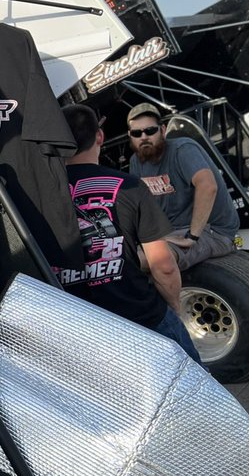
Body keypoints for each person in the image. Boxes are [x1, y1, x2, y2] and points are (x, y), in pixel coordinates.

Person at [59, 105, 201, 362]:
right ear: (100, 136)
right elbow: (163, 265)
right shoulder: (130, 186)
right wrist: (174, 308)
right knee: (194, 380)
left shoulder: (37, 196)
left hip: (77, 326)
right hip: (139, 314)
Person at [126, 102, 239, 271]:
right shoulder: (136, 162)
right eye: (137, 133)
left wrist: (192, 237)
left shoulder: (182, 149)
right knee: (121, 259)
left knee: (145, 261)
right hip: (171, 233)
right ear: (130, 136)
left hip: (212, 232)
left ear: (162, 130)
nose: (144, 137)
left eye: (150, 131)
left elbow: (208, 186)